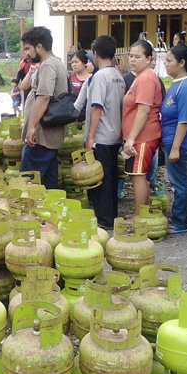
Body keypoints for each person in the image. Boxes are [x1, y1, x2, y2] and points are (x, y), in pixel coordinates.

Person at [83, 35, 126, 229]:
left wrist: (90, 136)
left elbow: (96, 108)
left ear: (95, 54)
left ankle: (105, 218)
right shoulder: (118, 75)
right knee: (111, 176)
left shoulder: (100, 77)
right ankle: (112, 214)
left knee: (101, 178)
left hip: (102, 135)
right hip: (116, 133)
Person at [19, 26, 68, 189]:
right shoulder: (57, 63)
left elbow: (44, 97)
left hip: (41, 136)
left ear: (39, 47)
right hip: (47, 136)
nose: (25, 53)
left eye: (28, 49)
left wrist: (32, 127)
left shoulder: (47, 66)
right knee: (47, 183)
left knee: (29, 183)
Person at [161, 44, 187, 234]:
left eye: (169, 61)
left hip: (179, 141)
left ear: (182, 62)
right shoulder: (176, 83)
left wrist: (176, 147)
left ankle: (179, 221)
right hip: (171, 139)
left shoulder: (185, 86)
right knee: (178, 180)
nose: (165, 64)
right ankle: (181, 215)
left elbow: (184, 120)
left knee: (179, 182)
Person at [122, 40, 163, 216]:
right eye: (131, 56)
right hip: (140, 136)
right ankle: (142, 214)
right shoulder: (141, 76)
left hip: (143, 136)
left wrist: (131, 138)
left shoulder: (146, 78)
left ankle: (139, 217)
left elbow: (144, 110)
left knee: (138, 176)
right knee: (137, 175)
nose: (133, 60)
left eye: (138, 56)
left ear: (148, 59)